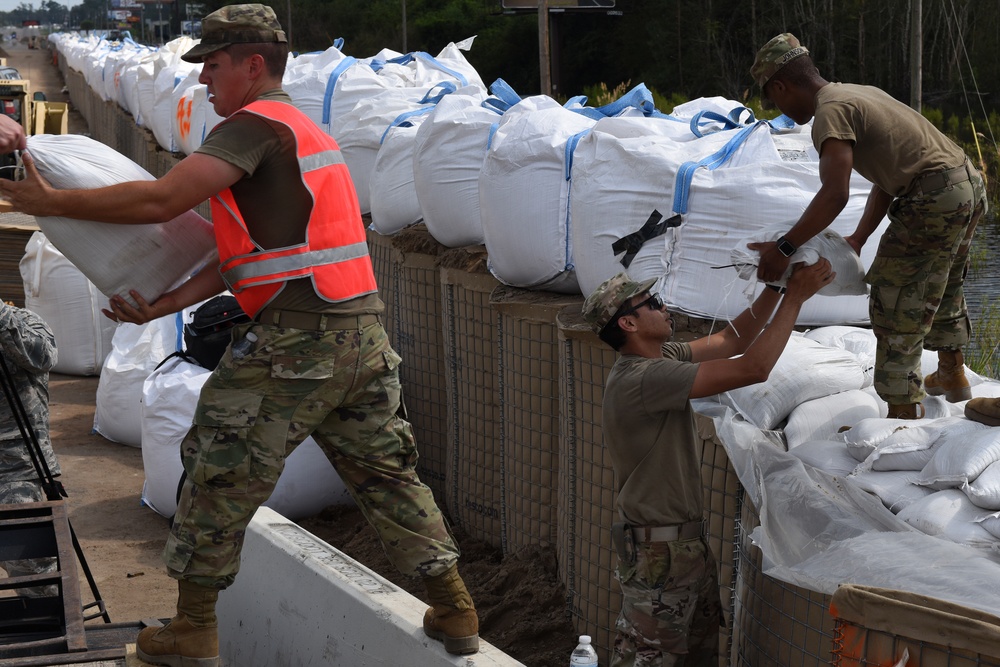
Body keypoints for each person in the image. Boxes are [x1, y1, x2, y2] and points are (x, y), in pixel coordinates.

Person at [0, 5, 478, 665]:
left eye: (214, 66)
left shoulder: (254, 128)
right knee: (387, 475)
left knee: (214, 462)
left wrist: (54, 203)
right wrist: (162, 303)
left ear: (254, 65)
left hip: (297, 343)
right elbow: (239, 261)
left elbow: (160, 201)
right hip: (360, 337)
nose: (203, 83)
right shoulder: (308, 136)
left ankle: (193, 627)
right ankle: (454, 605)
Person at [582, 261, 833, 666]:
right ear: (628, 323)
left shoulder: (661, 357)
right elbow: (753, 367)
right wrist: (796, 298)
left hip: (682, 550)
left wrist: (776, 284)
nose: (665, 308)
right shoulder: (642, 378)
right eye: (654, 302)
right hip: (659, 558)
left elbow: (731, 339)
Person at [748, 33, 988, 422]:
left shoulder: (830, 113)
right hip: (965, 185)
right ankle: (952, 373)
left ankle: (903, 413)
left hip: (933, 197)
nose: (782, 110)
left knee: (896, 300)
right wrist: (858, 239)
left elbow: (834, 194)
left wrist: (785, 248)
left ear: (781, 85)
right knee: (943, 283)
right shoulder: (856, 93)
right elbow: (885, 178)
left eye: (776, 100)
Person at [0, 300, 60, 597]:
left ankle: (49, 629)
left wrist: (1, 318)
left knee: (27, 560)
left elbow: (44, 357)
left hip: (16, 466)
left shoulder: (23, 321)